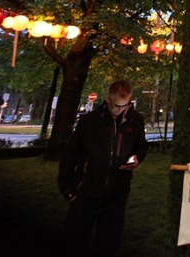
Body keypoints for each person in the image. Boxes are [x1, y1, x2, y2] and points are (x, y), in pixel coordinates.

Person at [58, 80, 147, 255]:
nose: (119, 111)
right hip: (86, 192)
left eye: (124, 106)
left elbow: (141, 146)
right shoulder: (90, 121)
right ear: (108, 99)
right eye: (116, 106)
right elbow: (71, 155)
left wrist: (136, 158)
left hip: (116, 194)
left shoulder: (135, 120)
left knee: (108, 243)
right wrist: (68, 190)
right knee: (75, 240)